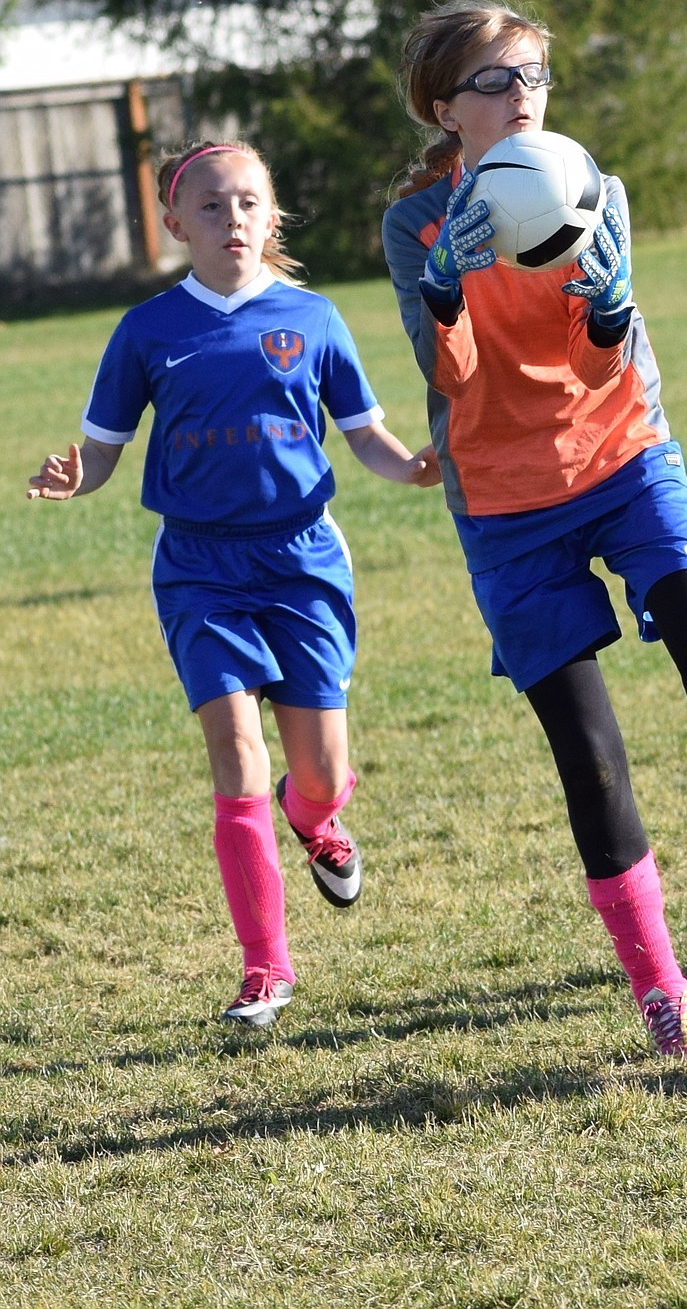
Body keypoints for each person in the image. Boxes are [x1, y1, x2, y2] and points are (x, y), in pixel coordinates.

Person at [383, 0, 687, 1064]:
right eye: (498, 81)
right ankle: (660, 986)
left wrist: (608, 307)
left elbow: (602, 362)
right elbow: (447, 377)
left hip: (625, 453)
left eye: (536, 74)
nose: (524, 97)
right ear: (447, 106)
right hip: (503, 501)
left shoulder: (598, 189)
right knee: (590, 756)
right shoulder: (414, 224)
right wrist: (448, 287)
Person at [27, 140, 439, 1029]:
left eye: (249, 203)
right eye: (210, 208)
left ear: (273, 216)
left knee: (318, 772)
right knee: (235, 756)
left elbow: (364, 433)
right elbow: (102, 447)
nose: (233, 221)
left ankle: (316, 816)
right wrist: (77, 477)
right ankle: (266, 970)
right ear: (175, 225)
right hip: (199, 568)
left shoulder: (314, 317)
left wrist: (411, 467)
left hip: (302, 562)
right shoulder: (147, 330)